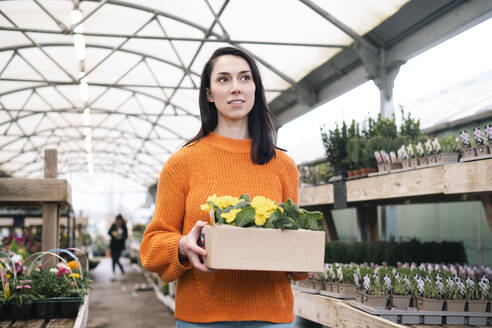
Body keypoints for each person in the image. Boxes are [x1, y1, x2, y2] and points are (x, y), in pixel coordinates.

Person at [140, 47, 307, 327]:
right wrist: (182, 245)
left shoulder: (283, 166)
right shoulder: (182, 162)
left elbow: (293, 245)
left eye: (244, 78)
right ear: (208, 93)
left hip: (271, 318)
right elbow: (151, 246)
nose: (235, 89)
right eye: (223, 80)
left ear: (256, 88)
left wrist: (303, 258)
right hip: (201, 319)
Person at [108, 214, 128, 278]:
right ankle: (114, 272)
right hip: (113, 245)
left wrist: (121, 237)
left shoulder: (123, 226)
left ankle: (120, 270)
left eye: (119, 220)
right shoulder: (114, 225)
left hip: (119, 246)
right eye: (117, 220)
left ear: (121, 220)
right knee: (113, 259)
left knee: (116, 259)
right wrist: (114, 234)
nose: (118, 221)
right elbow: (109, 232)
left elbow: (126, 236)